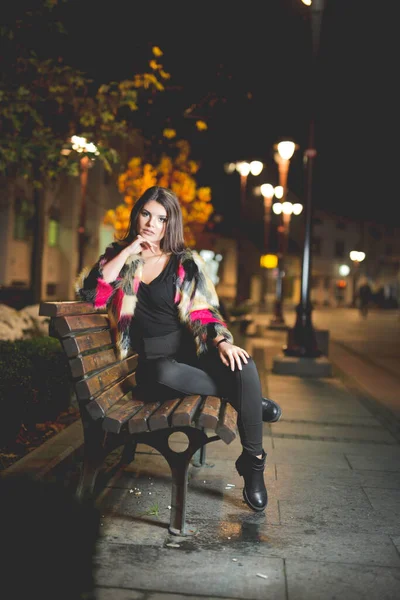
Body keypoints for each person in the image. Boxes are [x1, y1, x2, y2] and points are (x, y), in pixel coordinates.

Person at [75, 186, 282, 513]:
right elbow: (93, 295)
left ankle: (253, 464)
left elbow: (202, 310)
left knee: (243, 365)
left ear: (171, 223)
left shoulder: (184, 262)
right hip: (156, 366)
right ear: (137, 214)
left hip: (192, 356)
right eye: (146, 213)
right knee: (162, 370)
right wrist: (130, 249)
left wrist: (222, 341)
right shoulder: (120, 257)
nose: (151, 223)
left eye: (161, 218)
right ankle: (251, 402)